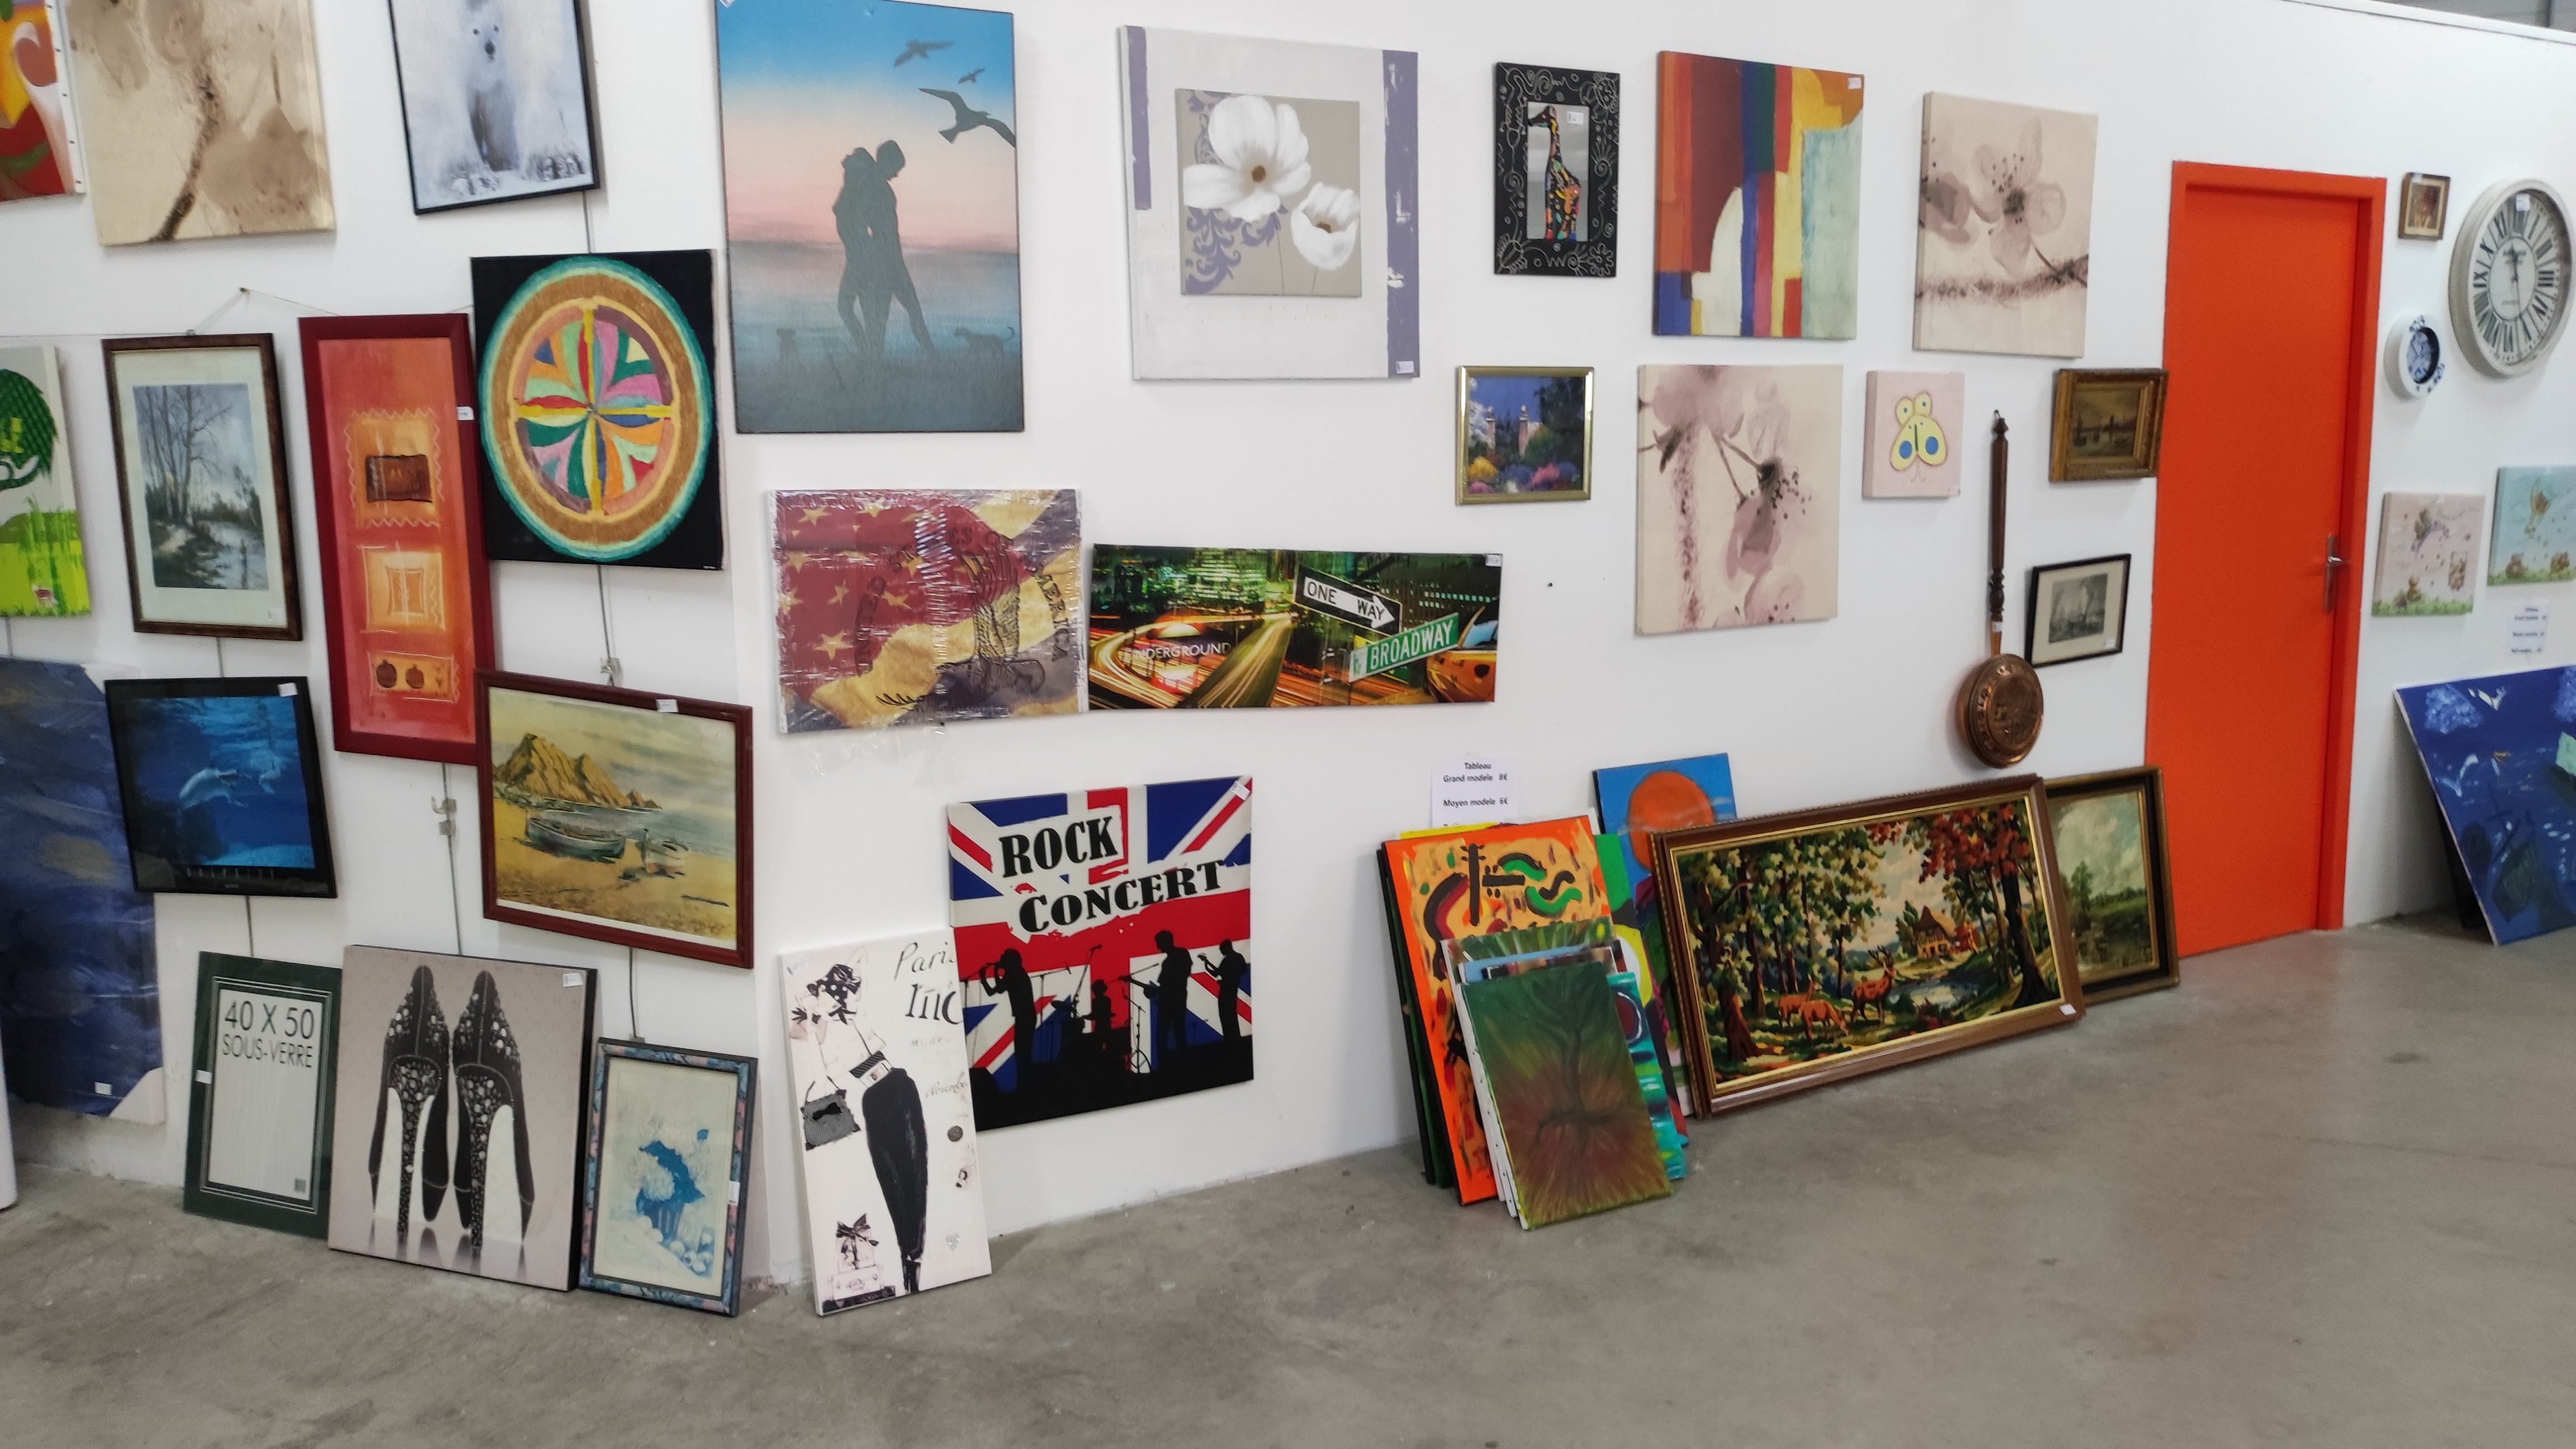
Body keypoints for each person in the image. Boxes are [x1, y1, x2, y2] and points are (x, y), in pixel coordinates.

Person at [832, 140, 936, 364]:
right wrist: (866, 256)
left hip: (884, 258)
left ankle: (874, 360)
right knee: (895, 316)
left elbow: (860, 225)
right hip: (885, 260)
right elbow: (861, 224)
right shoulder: (872, 185)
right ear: (886, 162)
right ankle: (929, 359)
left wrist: (863, 253)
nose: (896, 174)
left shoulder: (872, 184)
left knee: (879, 319)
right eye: (896, 168)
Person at [981, 948, 1036, 1087]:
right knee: (1023, 1053)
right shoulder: (1016, 973)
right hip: (1026, 1017)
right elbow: (997, 990)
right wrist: (996, 973)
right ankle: (1026, 1083)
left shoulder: (1014, 974)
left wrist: (989, 975)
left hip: (1024, 1018)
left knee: (1022, 1053)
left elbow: (996, 990)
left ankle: (1025, 1084)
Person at [1149, 930, 1192, 1068]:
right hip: (1178, 998)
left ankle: (1165, 1068)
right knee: (1179, 1033)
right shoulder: (1181, 954)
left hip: (1171, 1001)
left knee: (1163, 1035)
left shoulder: (1171, 960)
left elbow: (1167, 985)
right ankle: (1182, 1064)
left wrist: (1154, 992)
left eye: (1159, 942)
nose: (1158, 946)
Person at [1211, 940, 1249, 1051]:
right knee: (1232, 1013)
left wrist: (1206, 962)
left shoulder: (1228, 960)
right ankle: (1235, 1037)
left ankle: (1229, 1038)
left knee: (1225, 1013)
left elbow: (1216, 973)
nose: (1222, 952)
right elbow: (1244, 970)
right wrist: (1234, 978)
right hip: (1233, 988)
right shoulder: (1239, 957)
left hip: (1226, 990)